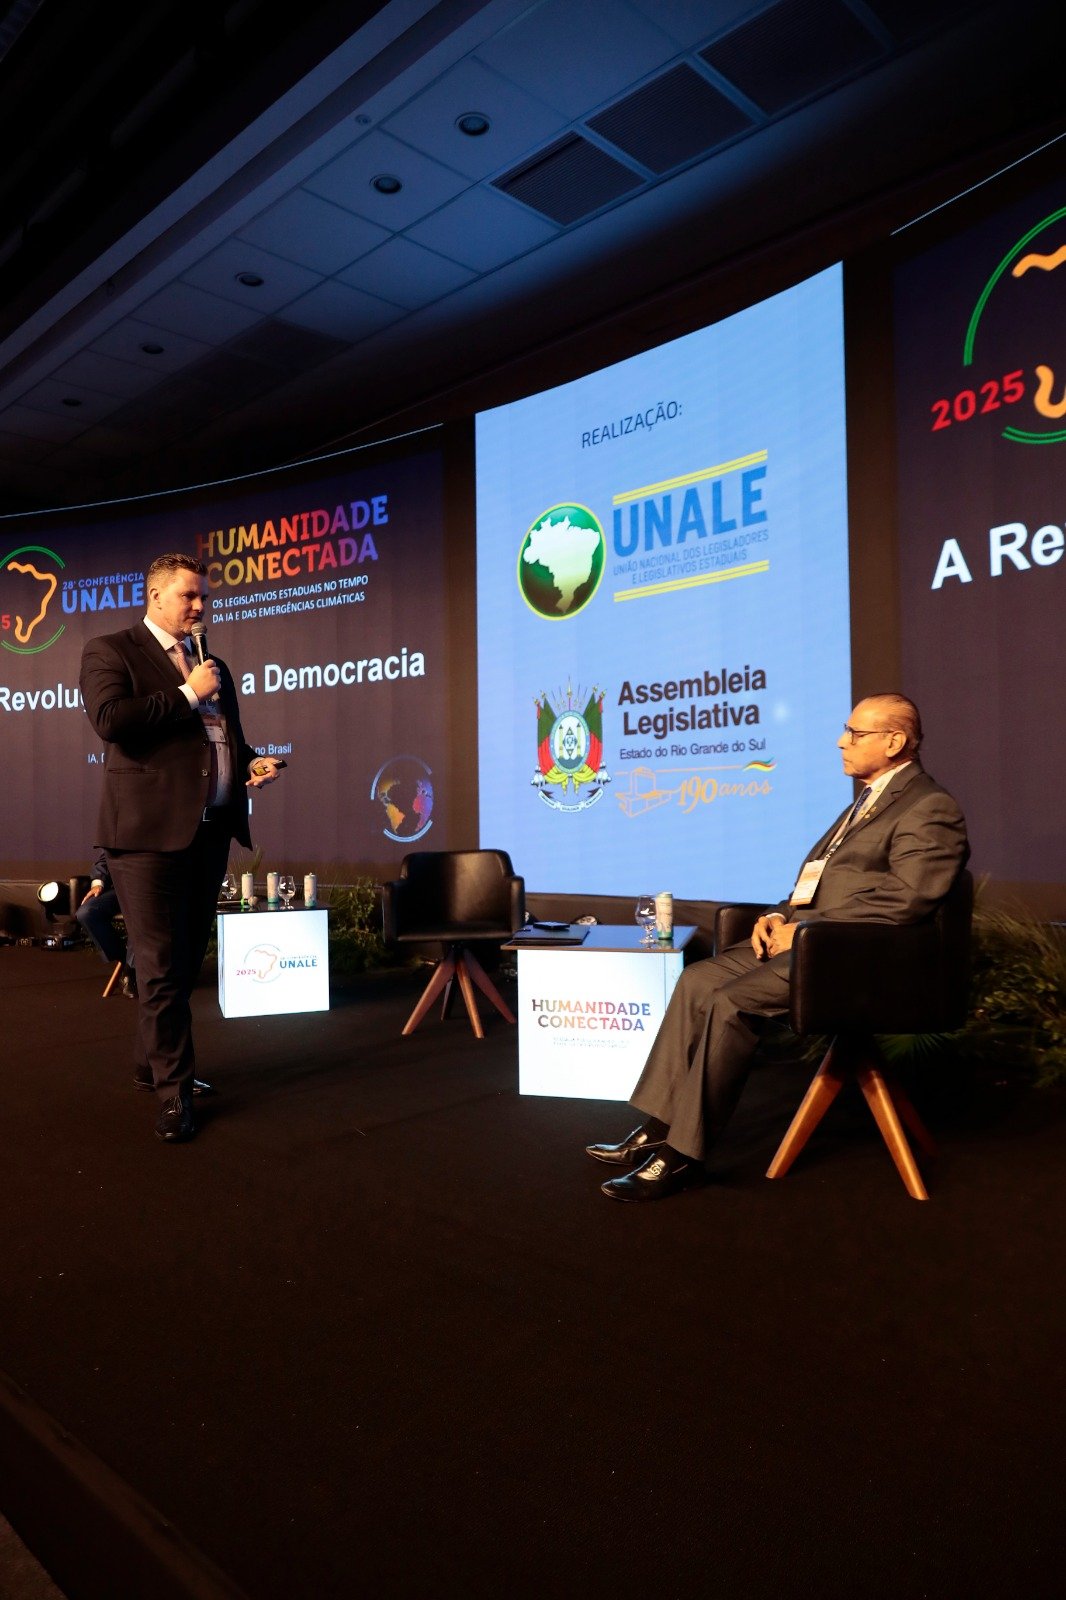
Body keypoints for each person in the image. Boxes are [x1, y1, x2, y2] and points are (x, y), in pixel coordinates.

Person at [587, 694, 969, 1201]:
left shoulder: (931, 807)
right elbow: (819, 884)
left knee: (730, 1001)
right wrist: (777, 916)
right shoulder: (867, 801)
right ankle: (660, 1126)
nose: (841, 742)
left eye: (855, 733)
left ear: (895, 741)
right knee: (698, 979)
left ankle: (683, 1157)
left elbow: (907, 898)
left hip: (856, 958)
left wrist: (810, 929)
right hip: (812, 940)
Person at [79, 553, 284, 1143]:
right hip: (145, 837)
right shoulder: (110, 650)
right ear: (155, 595)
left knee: (185, 961)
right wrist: (188, 694)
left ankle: (150, 1065)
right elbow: (111, 720)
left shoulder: (213, 664)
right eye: (188, 596)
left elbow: (224, 740)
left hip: (209, 831)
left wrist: (253, 763)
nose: (199, 606)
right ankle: (175, 1094)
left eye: (204, 597)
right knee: (161, 965)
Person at [76, 853, 136, 996]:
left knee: (138, 917)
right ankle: (127, 961)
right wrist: (98, 883)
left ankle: (131, 972)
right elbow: (105, 858)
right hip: (121, 888)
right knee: (87, 913)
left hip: (152, 888)